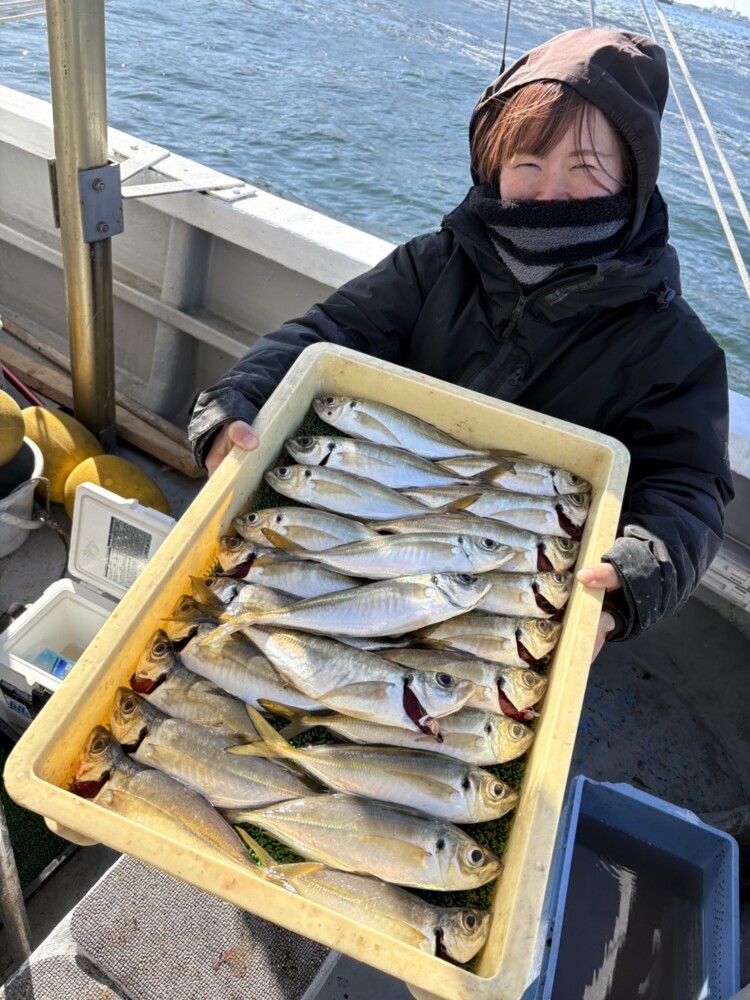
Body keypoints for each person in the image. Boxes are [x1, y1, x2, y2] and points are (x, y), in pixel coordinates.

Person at [188, 27, 734, 659]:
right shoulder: (433, 263)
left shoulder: (673, 345)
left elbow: (686, 483)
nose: (550, 192)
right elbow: (327, 333)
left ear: (631, 182)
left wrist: (632, 577)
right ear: (492, 166)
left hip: (515, 589)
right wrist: (237, 403)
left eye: (584, 168)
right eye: (527, 163)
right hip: (372, 530)